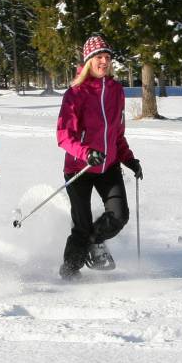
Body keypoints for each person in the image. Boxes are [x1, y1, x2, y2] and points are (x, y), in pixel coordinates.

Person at [54, 34, 143, 280]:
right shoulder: (76, 93)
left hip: (108, 165)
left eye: (107, 57)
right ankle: (70, 271)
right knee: (81, 227)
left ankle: (95, 242)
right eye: (98, 57)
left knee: (118, 216)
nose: (104, 61)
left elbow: (117, 133)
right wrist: (86, 153)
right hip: (79, 168)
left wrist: (129, 159)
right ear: (88, 60)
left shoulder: (116, 91)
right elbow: (63, 136)